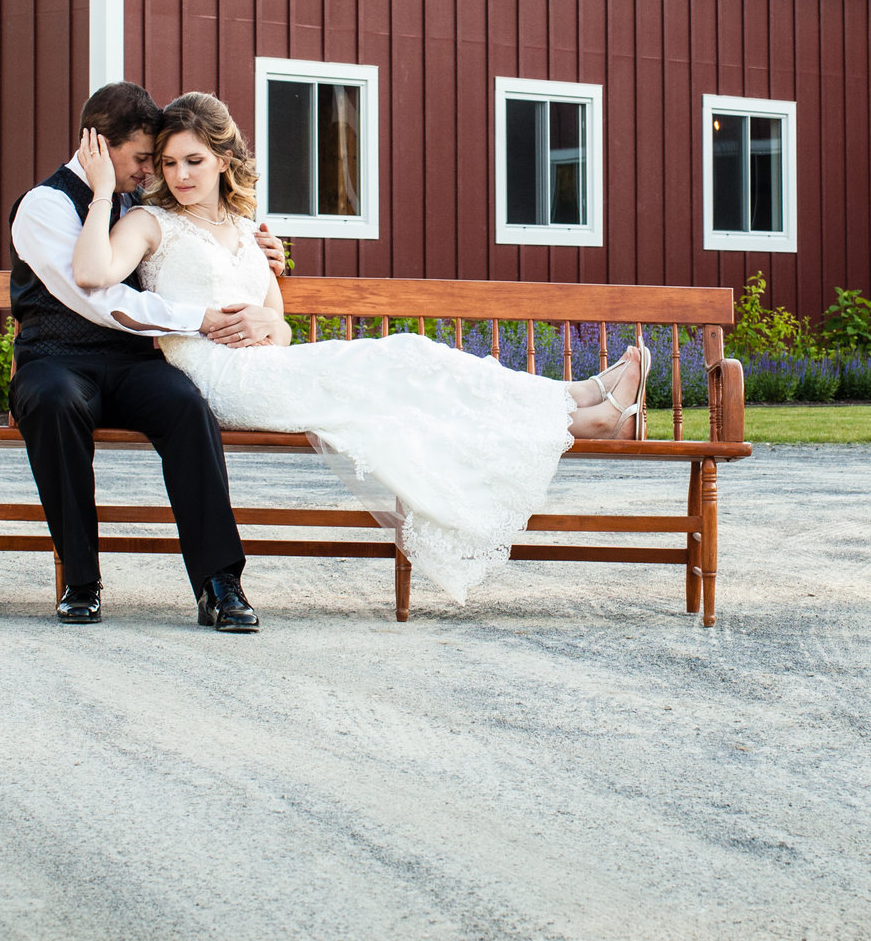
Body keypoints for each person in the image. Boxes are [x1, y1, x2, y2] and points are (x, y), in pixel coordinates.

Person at [67, 91, 649, 603]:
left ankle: (577, 406)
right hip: (215, 378)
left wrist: (270, 326)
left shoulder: (249, 230)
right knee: (403, 359)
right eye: (168, 163)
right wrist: (98, 193)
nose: (180, 176)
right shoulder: (148, 222)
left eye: (193, 161)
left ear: (224, 159)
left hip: (269, 365)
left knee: (409, 362)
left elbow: (281, 323)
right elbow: (93, 271)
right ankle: (577, 406)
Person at [10, 82, 289, 631]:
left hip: (133, 364)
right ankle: (81, 581)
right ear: (98, 145)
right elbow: (95, 297)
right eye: (142, 158)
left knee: (186, 405)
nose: (150, 172)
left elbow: (207, 242)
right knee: (52, 401)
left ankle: (220, 582)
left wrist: (276, 255)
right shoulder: (44, 205)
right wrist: (198, 319)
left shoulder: (142, 203)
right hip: (56, 361)